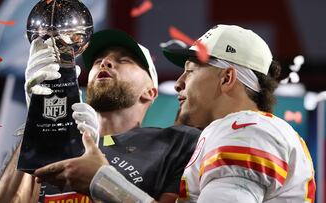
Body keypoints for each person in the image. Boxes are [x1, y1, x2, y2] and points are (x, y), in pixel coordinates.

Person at [35, 24, 316, 203]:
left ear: (227, 78)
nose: (179, 83)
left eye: (190, 72)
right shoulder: (248, 130)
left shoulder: (244, 130)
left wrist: (102, 181)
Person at [0, 29, 200, 203]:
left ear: (150, 91)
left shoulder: (176, 142)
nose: (105, 62)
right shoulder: (54, 143)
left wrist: (102, 181)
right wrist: (39, 117)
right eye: (98, 60)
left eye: (124, 60)